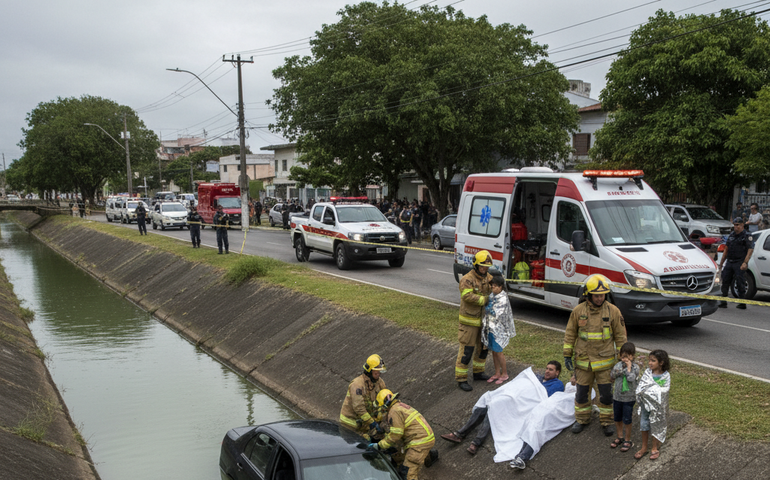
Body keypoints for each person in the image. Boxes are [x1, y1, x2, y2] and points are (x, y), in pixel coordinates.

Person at [441, 361, 564, 456]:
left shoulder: (557, 384)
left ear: (557, 372)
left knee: (494, 407)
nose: (547, 371)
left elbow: (542, 396)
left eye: (551, 370)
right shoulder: (537, 377)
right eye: (547, 368)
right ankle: (460, 434)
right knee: (487, 402)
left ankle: (474, 442)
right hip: (515, 398)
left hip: (524, 406)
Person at [564, 273, 627, 436]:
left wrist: (623, 359)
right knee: (581, 393)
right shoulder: (578, 311)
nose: (600, 298)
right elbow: (570, 333)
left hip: (605, 363)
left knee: (606, 395)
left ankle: (607, 422)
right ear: (588, 295)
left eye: (602, 295)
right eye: (596, 295)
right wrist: (567, 354)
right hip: (583, 362)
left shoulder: (613, 311)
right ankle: (582, 419)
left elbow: (621, 337)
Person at [368, 389, 437, 480]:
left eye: (381, 407)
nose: (382, 410)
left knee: (407, 473)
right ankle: (431, 455)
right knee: (409, 455)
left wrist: (380, 445)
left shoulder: (394, 411)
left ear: (385, 404)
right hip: (425, 438)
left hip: (418, 443)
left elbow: (396, 435)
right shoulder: (400, 406)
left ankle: (426, 456)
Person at [456, 250, 493, 391]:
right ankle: (461, 379)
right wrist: (483, 299)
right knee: (467, 351)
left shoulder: (488, 278)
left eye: (487, 267)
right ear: (476, 265)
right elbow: (467, 296)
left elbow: (494, 290)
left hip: (483, 322)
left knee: (483, 349)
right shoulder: (467, 279)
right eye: (483, 266)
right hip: (469, 322)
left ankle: (478, 372)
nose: (485, 269)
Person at [340, 354, 387, 440]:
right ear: (369, 371)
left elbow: (383, 398)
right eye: (376, 372)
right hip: (350, 425)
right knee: (360, 445)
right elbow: (359, 408)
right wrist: (372, 423)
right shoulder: (357, 385)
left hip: (365, 423)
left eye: (380, 371)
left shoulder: (379, 383)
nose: (379, 374)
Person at [635, 349, 671, 461]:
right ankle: (644, 447)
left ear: (661, 363)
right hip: (646, 405)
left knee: (656, 424)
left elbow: (664, 390)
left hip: (658, 407)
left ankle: (655, 446)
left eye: (653, 360)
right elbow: (641, 387)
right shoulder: (647, 373)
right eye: (649, 360)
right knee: (644, 424)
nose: (650, 363)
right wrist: (652, 391)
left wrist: (652, 390)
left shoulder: (666, 376)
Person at [481, 276, 516, 385]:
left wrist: (489, 308)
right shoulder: (492, 295)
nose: (493, 288)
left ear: (501, 287)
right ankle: (497, 373)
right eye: (492, 286)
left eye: (495, 286)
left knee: (499, 351)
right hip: (490, 328)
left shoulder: (503, 298)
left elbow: (498, 313)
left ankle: (504, 373)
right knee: (494, 352)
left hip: (499, 330)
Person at [609, 342, 640, 453]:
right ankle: (619, 436)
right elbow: (612, 375)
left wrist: (628, 368)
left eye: (628, 356)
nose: (625, 358)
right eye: (623, 356)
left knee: (627, 418)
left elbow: (631, 378)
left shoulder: (635, 367)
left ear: (632, 356)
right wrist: (620, 370)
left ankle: (627, 439)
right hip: (617, 396)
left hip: (629, 398)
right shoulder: (617, 365)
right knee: (617, 417)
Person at [718, 217, 754, 310]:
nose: (735, 227)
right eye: (734, 225)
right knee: (725, 280)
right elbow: (726, 249)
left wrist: (745, 262)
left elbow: (750, 249)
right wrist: (721, 263)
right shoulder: (731, 235)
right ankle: (723, 301)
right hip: (730, 261)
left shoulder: (746, 235)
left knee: (740, 282)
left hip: (739, 262)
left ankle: (742, 302)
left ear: (742, 225)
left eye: (737, 225)